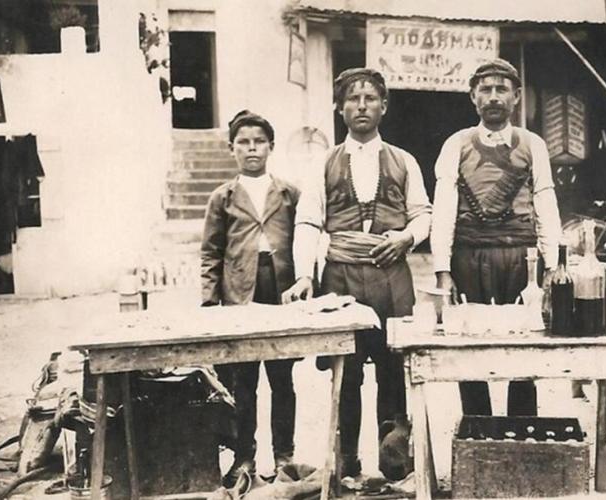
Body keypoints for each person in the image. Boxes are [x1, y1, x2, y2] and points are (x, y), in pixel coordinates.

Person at [282, 68, 432, 479]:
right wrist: (304, 275)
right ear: (339, 107)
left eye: (370, 98)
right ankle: (346, 457)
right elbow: (308, 221)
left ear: (384, 106)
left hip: (391, 278)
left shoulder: (404, 161)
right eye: (352, 98)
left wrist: (406, 238)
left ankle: (394, 457)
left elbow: (423, 214)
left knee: (393, 367)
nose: (361, 106)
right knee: (344, 371)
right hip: (341, 278)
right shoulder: (324, 162)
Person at [430, 58, 561, 417]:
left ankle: (521, 428)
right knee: (469, 346)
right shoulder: (456, 144)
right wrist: (443, 271)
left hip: (522, 259)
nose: (493, 97)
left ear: (516, 96)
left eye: (501, 89)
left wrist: (552, 267)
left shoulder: (533, 144)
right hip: (469, 257)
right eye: (485, 89)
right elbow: (443, 211)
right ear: (473, 97)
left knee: (526, 344)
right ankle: (477, 428)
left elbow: (545, 203)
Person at [200, 110, 300, 485]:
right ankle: (244, 458)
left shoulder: (288, 193)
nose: (252, 148)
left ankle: (285, 457)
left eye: (259, 141)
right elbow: (210, 253)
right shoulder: (222, 198)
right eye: (243, 142)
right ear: (232, 149)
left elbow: (305, 243)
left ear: (271, 147)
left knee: (282, 379)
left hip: (280, 292)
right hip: (239, 294)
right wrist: (210, 303)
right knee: (243, 383)